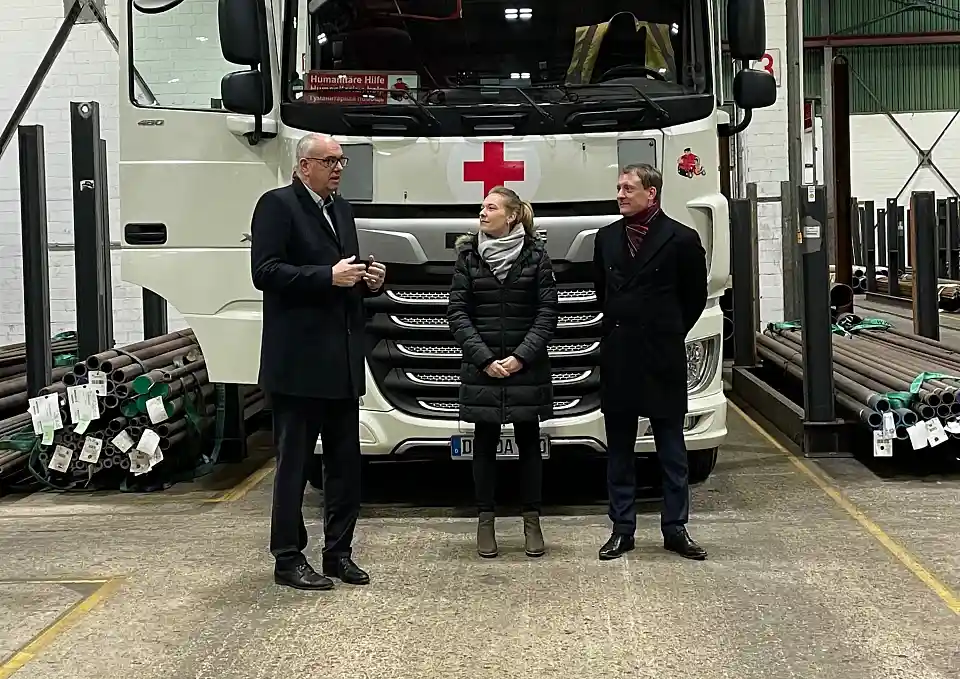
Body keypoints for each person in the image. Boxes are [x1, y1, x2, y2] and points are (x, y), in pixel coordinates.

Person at [250, 132, 387, 590]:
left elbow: (345, 274)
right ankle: (288, 557)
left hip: (342, 362)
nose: (338, 168)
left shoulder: (341, 209)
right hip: (299, 363)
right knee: (294, 466)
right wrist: (326, 276)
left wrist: (369, 281)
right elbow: (265, 271)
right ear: (303, 165)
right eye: (330, 161)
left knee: (345, 466)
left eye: (342, 161)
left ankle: (338, 553)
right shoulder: (278, 205)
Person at [592, 163, 709, 561]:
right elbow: (600, 292)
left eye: (629, 188)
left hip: (661, 356)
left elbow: (693, 299)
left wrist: (668, 331)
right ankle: (622, 529)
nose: (621, 194)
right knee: (620, 450)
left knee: (671, 449)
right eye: (619, 188)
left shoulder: (682, 239)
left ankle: (675, 528)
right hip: (620, 355)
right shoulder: (605, 238)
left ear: (652, 193)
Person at [447, 186, 559, 558]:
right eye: (482, 207)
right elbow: (458, 313)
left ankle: (532, 521)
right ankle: (485, 521)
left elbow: (547, 313)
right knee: (484, 443)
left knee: (530, 442)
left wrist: (520, 357)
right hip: (484, 368)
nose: (483, 213)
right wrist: (484, 359)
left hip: (526, 366)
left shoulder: (536, 256)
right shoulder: (468, 257)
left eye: (491, 208)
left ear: (511, 216)